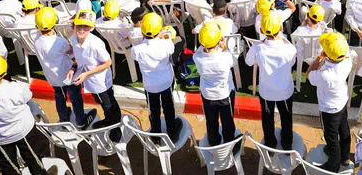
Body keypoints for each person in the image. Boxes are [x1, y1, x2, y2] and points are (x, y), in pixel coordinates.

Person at [34, 7, 94, 128]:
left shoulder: (37, 41)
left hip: (53, 78)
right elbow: (72, 53)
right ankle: (81, 122)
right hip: (68, 76)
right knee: (75, 98)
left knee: (59, 97)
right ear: (54, 22)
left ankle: (63, 119)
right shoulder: (60, 41)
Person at [245, 11, 297, 150]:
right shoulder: (289, 48)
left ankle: (270, 143)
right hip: (285, 91)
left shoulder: (258, 48)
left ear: (262, 31)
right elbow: (292, 63)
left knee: (267, 118)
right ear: (281, 28)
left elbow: (248, 62)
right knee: (286, 118)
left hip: (266, 92)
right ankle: (287, 144)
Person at [69, 9, 123, 140]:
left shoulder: (96, 44)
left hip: (100, 81)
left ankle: (115, 128)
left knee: (108, 104)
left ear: (92, 28)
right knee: (101, 102)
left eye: (86, 26)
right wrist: (73, 67)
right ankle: (109, 121)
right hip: (90, 80)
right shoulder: (73, 39)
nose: (81, 29)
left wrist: (87, 74)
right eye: (79, 25)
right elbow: (78, 57)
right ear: (73, 25)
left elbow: (108, 62)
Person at [306, 32, 353, 172]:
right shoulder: (347, 59)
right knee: (344, 131)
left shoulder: (326, 75)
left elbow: (308, 74)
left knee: (331, 139)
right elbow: (342, 42)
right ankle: (345, 157)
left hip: (329, 110)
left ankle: (332, 167)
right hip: (342, 102)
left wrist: (320, 57)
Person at [133, 12, 182, 141]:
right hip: (166, 82)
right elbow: (171, 48)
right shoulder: (166, 44)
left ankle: (155, 135)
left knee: (153, 110)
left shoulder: (137, 49)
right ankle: (172, 131)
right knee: (168, 107)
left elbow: (136, 55)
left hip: (150, 86)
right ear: (159, 29)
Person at [194, 22, 237, 147]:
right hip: (225, 96)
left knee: (211, 121)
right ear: (218, 40)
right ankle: (228, 144)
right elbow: (234, 61)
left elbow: (201, 49)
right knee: (227, 122)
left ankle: (213, 142)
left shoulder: (197, 57)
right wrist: (224, 47)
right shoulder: (225, 57)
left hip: (207, 96)